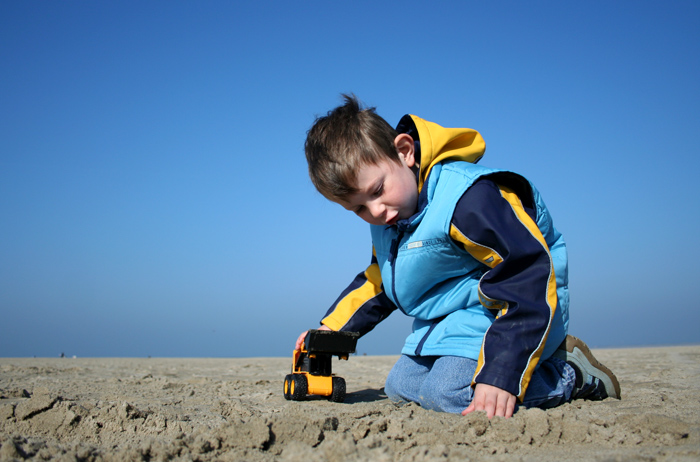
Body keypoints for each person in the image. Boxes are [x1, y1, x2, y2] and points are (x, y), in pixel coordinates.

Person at [296, 94, 620, 418]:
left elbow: (525, 270)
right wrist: (332, 330)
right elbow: (384, 278)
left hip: (504, 317)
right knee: (399, 387)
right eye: (359, 209)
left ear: (404, 152)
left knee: (447, 393)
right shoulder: (391, 222)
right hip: (448, 324)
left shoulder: (466, 200)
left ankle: (569, 375)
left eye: (377, 191)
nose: (376, 211)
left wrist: (501, 374)